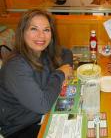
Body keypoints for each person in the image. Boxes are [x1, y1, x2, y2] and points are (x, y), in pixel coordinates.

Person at [0, 9, 73, 138]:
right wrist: (60, 74)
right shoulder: (15, 66)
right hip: (21, 128)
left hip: (44, 116)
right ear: (22, 32)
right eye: (34, 29)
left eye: (46, 30)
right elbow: (43, 105)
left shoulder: (42, 51)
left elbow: (67, 52)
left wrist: (66, 68)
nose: (41, 36)